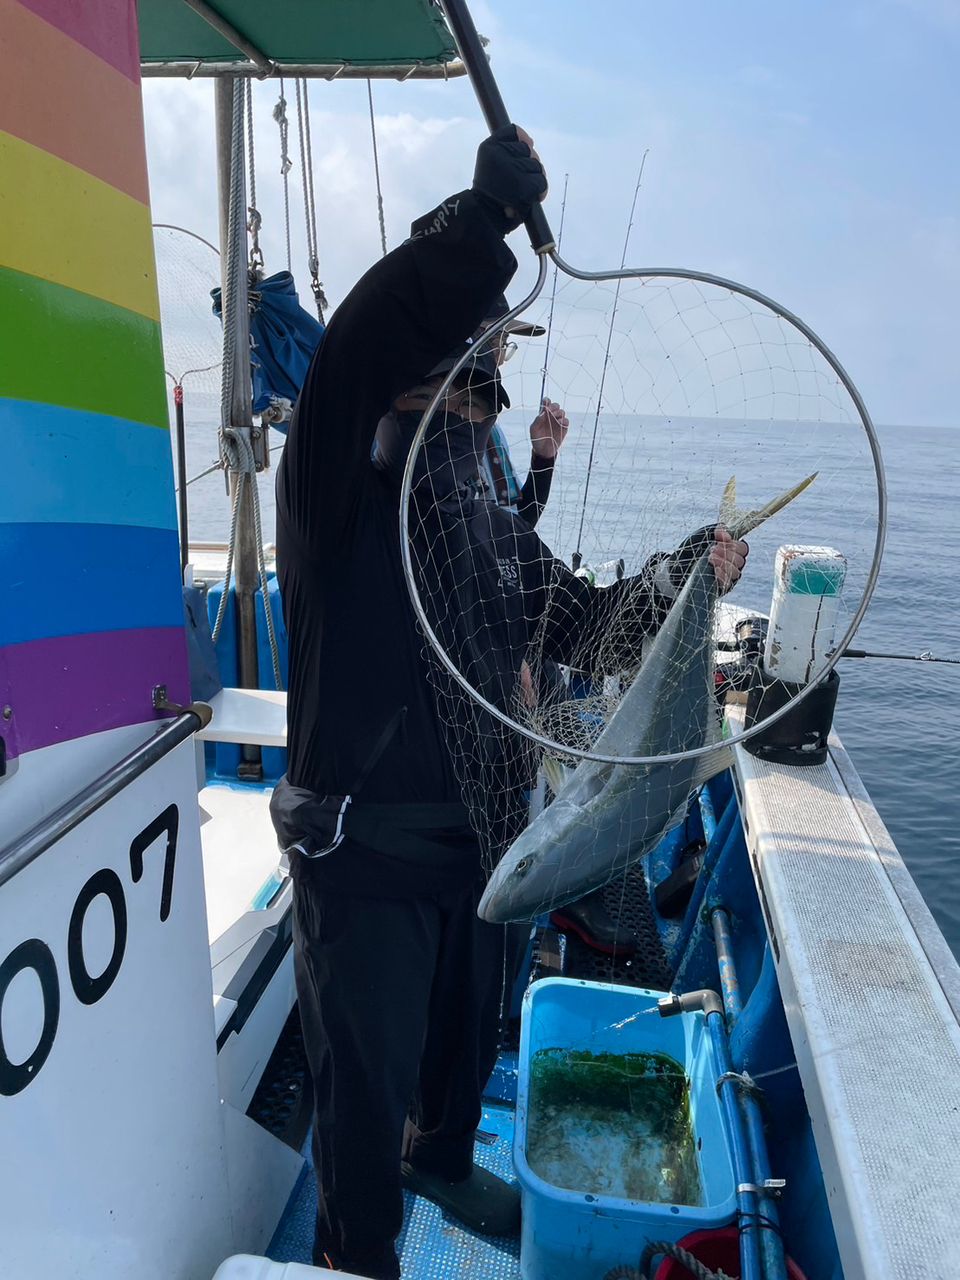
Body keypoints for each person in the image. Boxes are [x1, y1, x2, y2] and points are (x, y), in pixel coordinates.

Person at [271, 125, 748, 1280]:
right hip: (363, 854)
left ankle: (442, 1152)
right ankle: (359, 1249)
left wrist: (692, 570)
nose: (475, 394)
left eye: (482, 373)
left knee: (456, 1043)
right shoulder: (338, 466)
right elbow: (368, 338)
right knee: (362, 1078)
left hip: (476, 840)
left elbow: (585, 623)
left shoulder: (483, 505)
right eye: (457, 368)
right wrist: (480, 225)